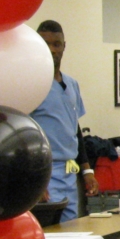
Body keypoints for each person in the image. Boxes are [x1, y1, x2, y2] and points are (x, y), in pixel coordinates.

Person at [32, 20, 98, 222]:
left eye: (56, 44)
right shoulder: (31, 84)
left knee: (72, 231)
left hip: (69, 171)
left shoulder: (71, 84)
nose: (52, 50)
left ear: (64, 46)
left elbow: (74, 129)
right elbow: (22, 134)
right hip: (44, 171)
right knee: (50, 235)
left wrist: (87, 170)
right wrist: (35, 180)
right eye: (46, 44)